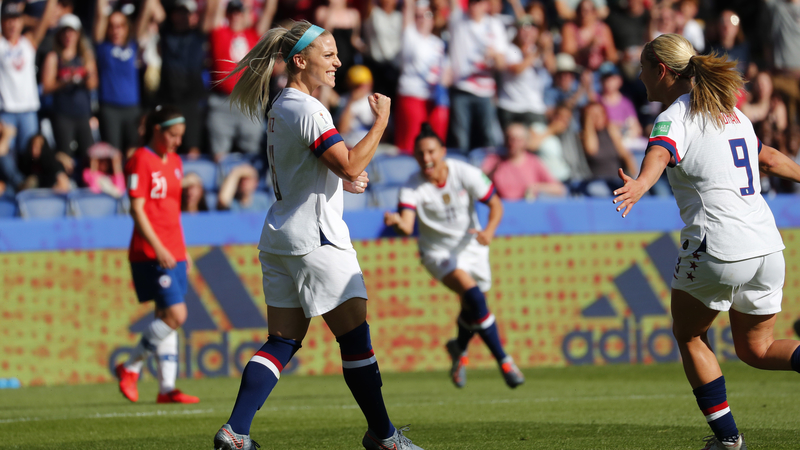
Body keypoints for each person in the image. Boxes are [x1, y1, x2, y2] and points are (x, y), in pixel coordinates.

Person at [211, 21, 424, 450]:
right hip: (317, 239)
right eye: (329, 55)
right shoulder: (307, 108)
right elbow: (347, 162)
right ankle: (384, 437)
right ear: (300, 61)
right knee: (356, 338)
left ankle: (235, 432)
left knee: (283, 340)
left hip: (281, 236)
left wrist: (341, 182)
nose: (338, 63)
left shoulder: (283, 105)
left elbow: (318, 169)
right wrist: (381, 123)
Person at [612, 33, 800, 450]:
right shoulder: (731, 112)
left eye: (643, 69)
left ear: (661, 70)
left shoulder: (675, 115)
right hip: (767, 245)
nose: (640, 77)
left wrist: (641, 184)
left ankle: (729, 441)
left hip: (718, 245)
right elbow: (766, 157)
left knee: (690, 335)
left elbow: (659, 154)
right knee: (759, 348)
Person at [384, 122, 525, 389]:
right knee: (473, 296)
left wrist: (489, 232)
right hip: (438, 253)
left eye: (431, 152)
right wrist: (396, 222)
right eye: (420, 154)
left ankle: (458, 348)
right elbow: (406, 224)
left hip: (473, 248)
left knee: (473, 308)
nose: (426, 159)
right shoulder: (412, 187)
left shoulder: (466, 172)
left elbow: (495, 204)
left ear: (443, 151)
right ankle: (505, 361)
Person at [115, 105, 200, 405]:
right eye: (173, 135)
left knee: (167, 317)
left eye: (180, 136)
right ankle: (130, 366)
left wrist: (181, 249)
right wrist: (161, 248)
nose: (178, 141)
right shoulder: (140, 159)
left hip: (173, 250)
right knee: (177, 315)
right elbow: (137, 209)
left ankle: (166, 388)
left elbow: (171, 212)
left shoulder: (175, 161)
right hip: (151, 252)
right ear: (157, 130)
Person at [93, 0, 164, 156]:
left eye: (120, 26)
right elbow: (100, 14)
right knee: (113, 154)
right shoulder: (103, 48)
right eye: (111, 26)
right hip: (109, 109)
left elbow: (145, 15)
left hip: (132, 108)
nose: (116, 30)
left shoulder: (133, 46)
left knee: (134, 152)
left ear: (127, 28)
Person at [206, 0, 274, 162]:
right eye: (232, 12)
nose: (235, 15)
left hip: (247, 102)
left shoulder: (254, 34)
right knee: (218, 155)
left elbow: (268, 12)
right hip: (222, 102)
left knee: (252, 153)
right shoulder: (219, 32)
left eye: (239, 12)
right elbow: (215, 9)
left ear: (247, 14)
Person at [40, 13, 97, 165]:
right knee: (64, 154)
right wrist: (65, 81)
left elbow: (93, 84)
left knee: (89, 153)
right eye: (65, 31)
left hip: (83, 113)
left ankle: (87, 184)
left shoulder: (85, 56)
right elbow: (46, 87)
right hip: (63, 113)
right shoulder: (53, 57)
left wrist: (87, 76)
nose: (68, 35)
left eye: (72, 31)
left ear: (78, 34)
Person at [394, 0, 449, 154]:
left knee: (433, 144)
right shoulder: (410, 35)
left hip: (432, 98)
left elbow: (443, 71)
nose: (422, 19)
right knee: (410, 143)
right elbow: (408, 7)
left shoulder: (438, 43)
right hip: (412, 95)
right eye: (418, 16)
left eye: (427, 14)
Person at [482, 123, 566, 201]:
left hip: (525, 210)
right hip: (499, 207)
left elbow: (559, 189)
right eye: (510, 138)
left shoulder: (534, 162)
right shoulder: (493, 159)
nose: (513, 143)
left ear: (525, 141)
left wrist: (536, 187)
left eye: (518, 139)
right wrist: (491, 174)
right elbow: (479, 183)